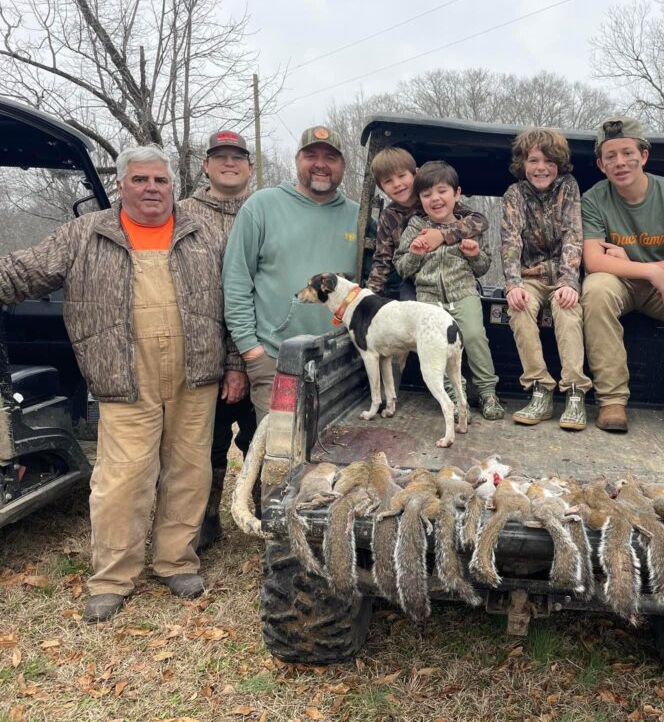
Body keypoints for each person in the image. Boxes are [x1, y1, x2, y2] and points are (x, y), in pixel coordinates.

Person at [0, 145, 236, 621]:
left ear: (173, 186)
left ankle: (175, 560)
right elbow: (22, 271)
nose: (152, 188)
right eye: (141, 180)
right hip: (122, 374)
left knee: (190, 471)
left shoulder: (204, 234)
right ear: (121, 186)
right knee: (122, 478)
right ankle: (112, 577)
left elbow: (236, 301)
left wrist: (233, 362)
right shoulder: (85, 233)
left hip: (196, 372)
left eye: (161, 180)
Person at [580, 116, 664, 438]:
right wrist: (648, 269)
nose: (620, 162)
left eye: (627, 153)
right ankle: (611, 401)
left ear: (644, 155)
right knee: (595, 289)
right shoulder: (594, 199)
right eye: (610, 156)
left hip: (663, 289)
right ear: (601, 164)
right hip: (620, 282)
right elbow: (594, 261)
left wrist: (659, 271)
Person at [223, 125, 360, 421]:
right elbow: (236, 282)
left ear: (343, 166)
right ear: (297, 160)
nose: (321, 164)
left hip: (342, 361)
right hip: (278, 360)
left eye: (331, 157)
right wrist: (251, 351)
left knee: (338, 456)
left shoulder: (359, 217)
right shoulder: (262, 206)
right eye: (311, 155)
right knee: (281, 458)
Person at [177, 130, 257, 551]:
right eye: (220, 156)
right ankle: (202, 524)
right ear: (206, 165)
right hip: (198, 356)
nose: (229, 163)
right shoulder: (182, 214)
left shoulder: (265, 210)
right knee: (203, 449)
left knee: (260, 442)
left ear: (249, 166)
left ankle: (264, 518)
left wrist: (239, 363)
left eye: (237, 157)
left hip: (256, 352)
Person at [393, 161, 504, 420]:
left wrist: (475, 255)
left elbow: (483, 267)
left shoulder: (470, 226)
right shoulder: (415, 228)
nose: (435, 199)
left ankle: (488, 393)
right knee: (436, 346)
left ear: (456, 194)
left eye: (442, 191)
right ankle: (455, 396)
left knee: (475, 337)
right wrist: (415, 254)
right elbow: (402, 268)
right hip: (428, 299)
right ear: (420, 200)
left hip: (463, 292)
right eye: (427, 194)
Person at [501, 127, 591, 430]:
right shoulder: (515, 194)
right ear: (523, 163)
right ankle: (540, 387)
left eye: (550, 161)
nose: (541, 168)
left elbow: (572, 235)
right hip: (531, 274)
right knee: (519, 306)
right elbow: (510, 240)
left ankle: (575, 391)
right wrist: (513, 284)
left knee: (567, 310)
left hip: (563, 273)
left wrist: (569, 281)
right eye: (534, 160)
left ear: (560, 164)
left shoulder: (569, 186)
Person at [365, 147, 488, 299]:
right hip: (416, 280)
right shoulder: (388, 217)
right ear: (381, 187)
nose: (397, 184)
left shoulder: (435, 201)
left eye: (402, 176)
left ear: (416, 173)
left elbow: (479, 221)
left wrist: (442, 235)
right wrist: (368, 296)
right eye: (388, 181)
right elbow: (382, 260)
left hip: (453, 275)